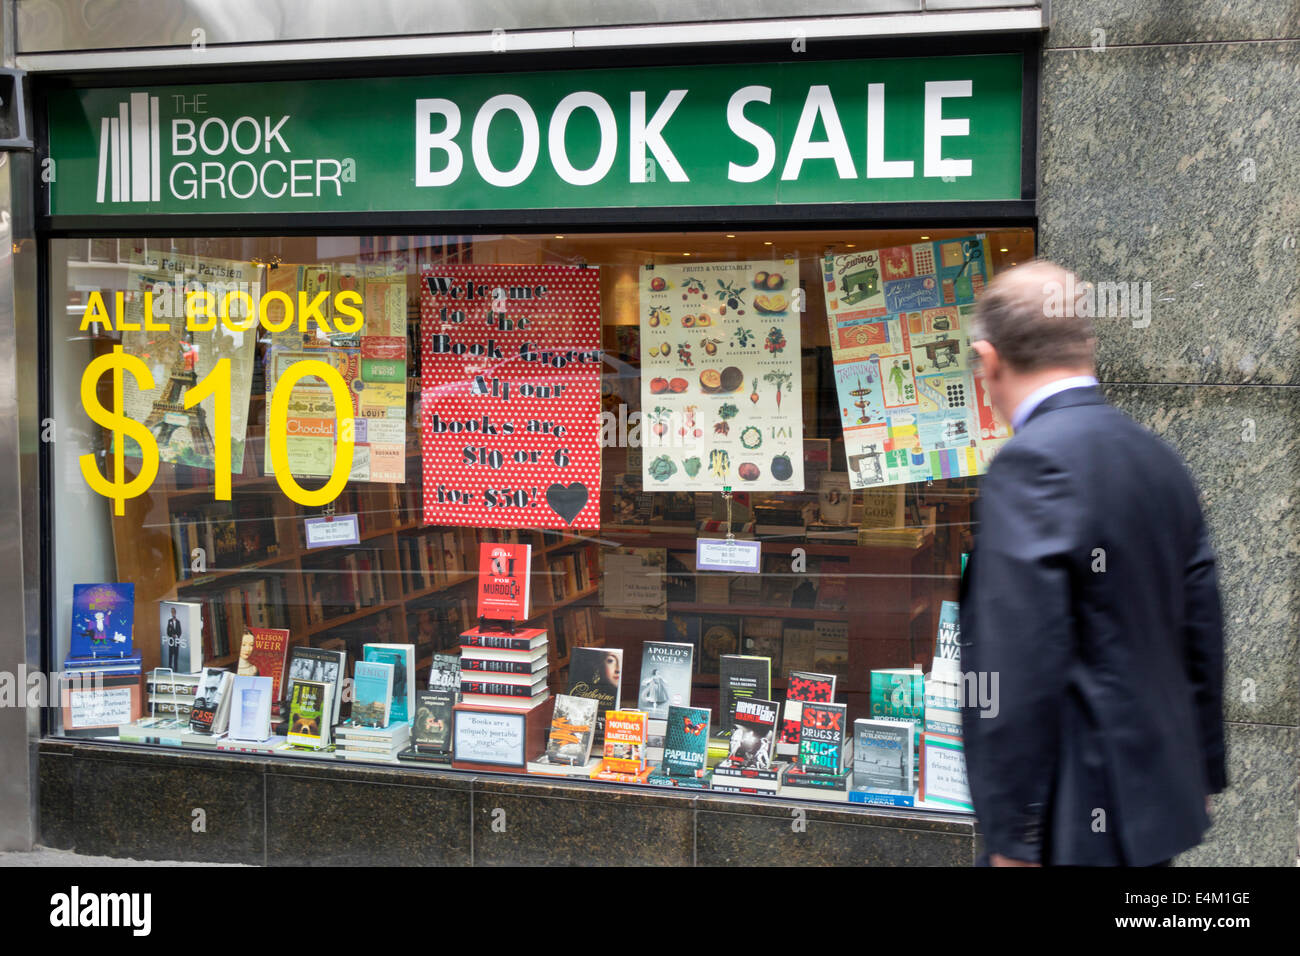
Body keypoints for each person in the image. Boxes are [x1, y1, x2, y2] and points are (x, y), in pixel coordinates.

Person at [960, 260, 1225, 867]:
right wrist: (1202, 771)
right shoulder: (1158, 460)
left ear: (990, 359)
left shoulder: (1029, 466)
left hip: (1068, 822)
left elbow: (1011, 664)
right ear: (1087, 347)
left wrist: (1016, 836)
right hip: (1155, 812)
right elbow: (1202, 630)